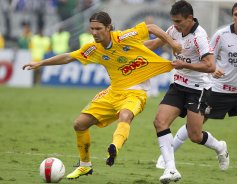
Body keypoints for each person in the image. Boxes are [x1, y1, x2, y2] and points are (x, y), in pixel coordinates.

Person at [23, 11, 181, 180]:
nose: (94, 32)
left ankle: (114, 147)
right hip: (113, 92)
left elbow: (151, 27)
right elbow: (69, 57)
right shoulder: (93, 49)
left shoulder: (122, 37)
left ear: (108, 28)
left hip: (136, 92)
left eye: (98, 28)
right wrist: (41, 63)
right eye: (92, 28)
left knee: (125, 115)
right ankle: (85, 166)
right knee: (79, 124)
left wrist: (172, 43)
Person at [156, 0, 237, 175]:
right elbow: (210, 59)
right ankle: (168, 157)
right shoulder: (221, 34)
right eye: (236, 14)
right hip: (218, 88)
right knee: (192, 128)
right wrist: (215, 69)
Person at [145, 1, 229, 183]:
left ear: (190, 18)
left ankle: (220, 147)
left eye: (178, 21)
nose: (175, 25)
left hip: (198, 89)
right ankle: (171, 169)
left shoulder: (199, 37)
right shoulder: (174, 29)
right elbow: (153, 43)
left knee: (195, 135)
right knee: (160, 122)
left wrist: (184, 64)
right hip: (178, 85)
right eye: (173, 21)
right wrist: (128, 48)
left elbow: (210, 65)